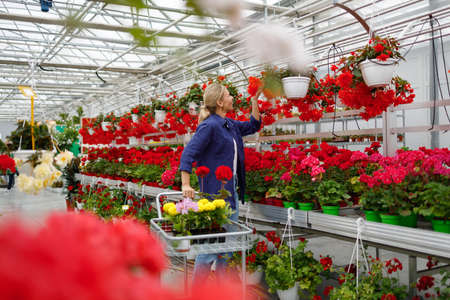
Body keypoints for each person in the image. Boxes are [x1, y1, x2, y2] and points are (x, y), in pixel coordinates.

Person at [179, 83, 262, 282]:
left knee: (227, 248)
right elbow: (188, 154)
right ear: (219, 102)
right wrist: (186, 184)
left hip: (229, 191)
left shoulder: (228, 124)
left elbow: (253, 125)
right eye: (228, 95)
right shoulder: (210, 126)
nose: (232, 97)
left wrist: (254, 101)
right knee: (209, 249)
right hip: (215, 194)